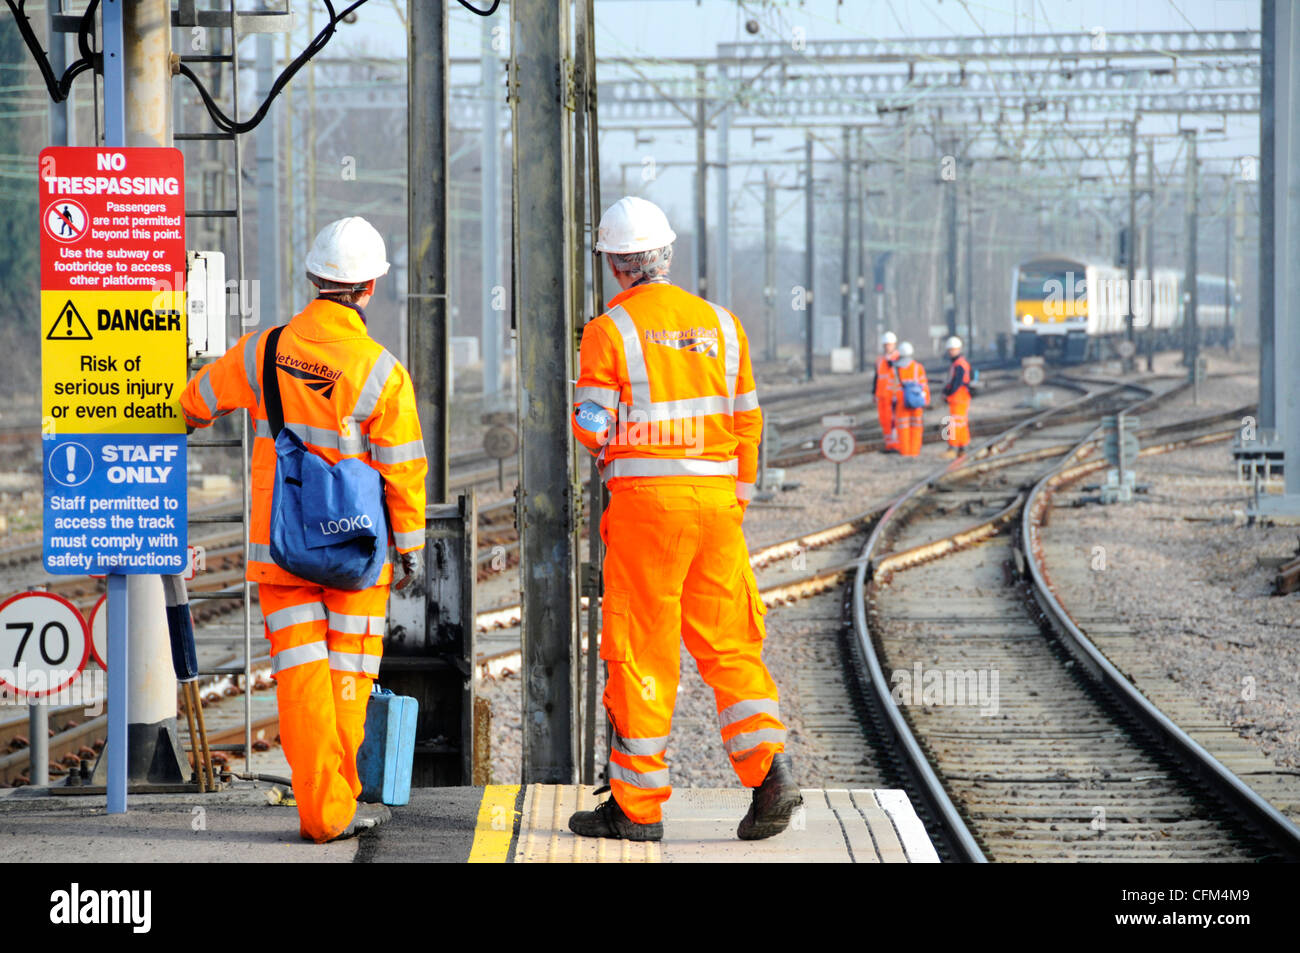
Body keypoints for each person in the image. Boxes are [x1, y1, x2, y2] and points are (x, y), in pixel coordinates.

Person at [180, 217, 427, 844]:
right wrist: (413, 548)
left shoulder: (263, 350)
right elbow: (403, 469)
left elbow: (199, 397)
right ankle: (334, 804)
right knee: (347, 679)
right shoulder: (381, 371)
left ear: (314, 279)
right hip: (357, 555)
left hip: (282, 551)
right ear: (369, 288)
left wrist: (180, 421)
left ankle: (326, 808)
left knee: (301, 679)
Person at [566, 196, 801, 842]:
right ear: (665, 257)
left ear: (616, 266)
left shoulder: (608, 331)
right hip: (718, 511)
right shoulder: (723, 325)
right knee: (729, 643)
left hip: (648, 512)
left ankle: (636, 809)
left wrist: (603, 431)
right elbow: (749, 420)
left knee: (643, 647)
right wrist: (736, 496)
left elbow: (591, 428)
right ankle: (770, 776)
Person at [892, 341, 929, 457]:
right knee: (916, 428)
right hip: (916, 402)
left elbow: (893, 388)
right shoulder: (918, 367)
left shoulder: (896, 369)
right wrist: (925, 400)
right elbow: (924, 386)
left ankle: (905, 452)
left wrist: (892, 402)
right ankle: (914, 452)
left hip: (902, 403)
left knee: (903, 429)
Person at [941, 336, 972, 458]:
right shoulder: (958, 363)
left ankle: (952, 448)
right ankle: (962, 447)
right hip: (960, 398)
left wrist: (948, 394)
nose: (951, 352)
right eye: (950, 350)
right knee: (961, 423)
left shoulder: (959, 365)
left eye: (953, 349)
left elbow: (956, 383)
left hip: (958, 398)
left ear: (958, 349)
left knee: (953, 423)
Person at [873, 331, 901, 453]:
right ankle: (889, 445)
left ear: (894, 344)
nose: (887, 347)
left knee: (894, 422)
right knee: (884, 421)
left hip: (893, 396)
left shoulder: (899, 358)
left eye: (889, 344)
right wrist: (874, 393)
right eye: (885, 344)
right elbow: (877, 377)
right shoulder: (880, 360)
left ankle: (896, 445)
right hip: (882, 396)